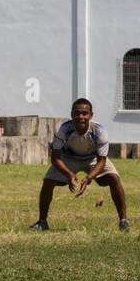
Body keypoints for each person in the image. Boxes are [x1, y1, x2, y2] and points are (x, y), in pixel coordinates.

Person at [30, 98, 129, 232]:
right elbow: (55, 158)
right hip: (69, 158)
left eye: (84, 113)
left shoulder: (99, 131)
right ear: (72, 114)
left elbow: (102, 161)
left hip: (93, 159)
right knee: (48, 181)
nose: (80, 117)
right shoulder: (63, 129)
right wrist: (69, 174)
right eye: (77, 113)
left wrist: (88, 178)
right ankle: (42, 222)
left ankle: (123, 221)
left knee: (114, 178)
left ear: (91, 115)